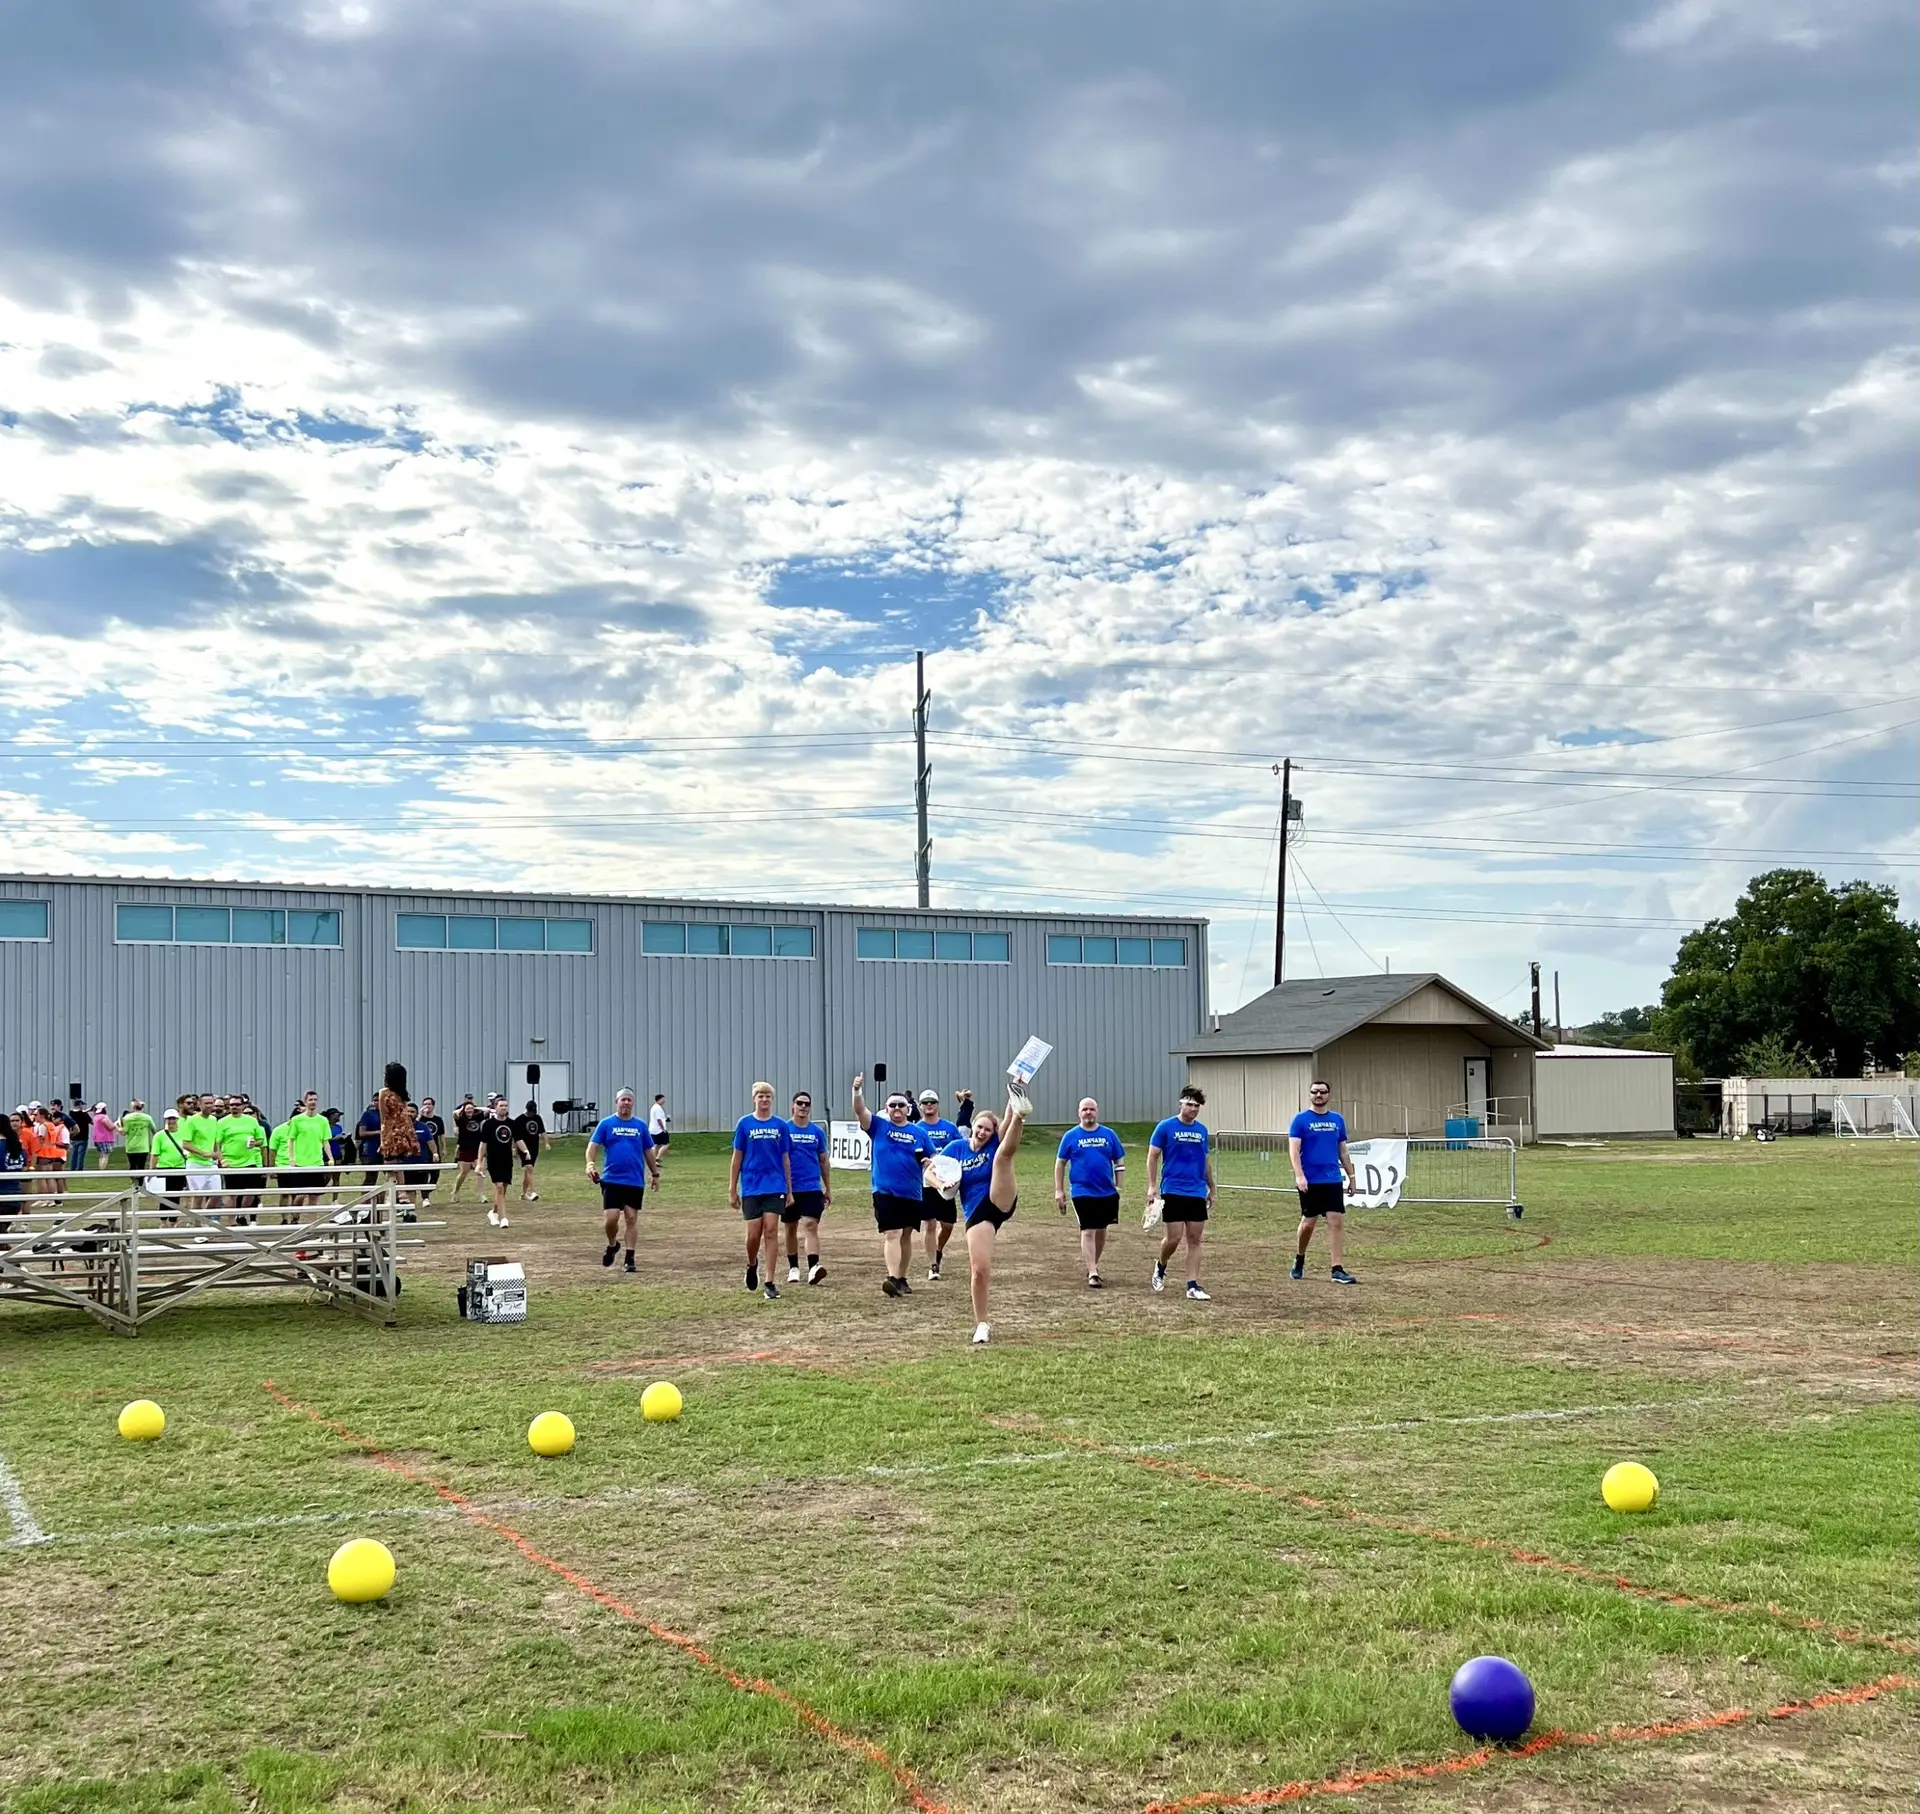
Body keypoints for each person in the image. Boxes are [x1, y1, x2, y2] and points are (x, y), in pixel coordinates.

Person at [953, 1083, 1031, 1345]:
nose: (984, 1132)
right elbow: (934, 1169)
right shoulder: (956, 1147)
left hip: (1001, 1196)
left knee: (1001, 1157)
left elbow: (1004, 1121)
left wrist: (1015, 1092)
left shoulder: (995, 1142)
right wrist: (941, 1183)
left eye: (989, 1128)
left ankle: (1022, 1112)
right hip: (977, 1211)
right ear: (973, 1126)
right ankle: (982, 1323)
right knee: (979, 1270)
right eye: (981, 1127)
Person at [851, 1073, 935, 1298]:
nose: (897, 1108)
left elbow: (931, 1158)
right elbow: (860, 1110)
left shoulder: (920, 1133)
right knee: (893, 1233)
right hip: (885, 1191)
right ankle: (892, 1277)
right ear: (886, 1109)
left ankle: (902, 1278)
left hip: (912, 1191)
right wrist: (857, 1091)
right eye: (893, 1105)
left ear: (908, 1108)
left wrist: (929, 1163)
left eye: (901, 1105)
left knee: (906, 1234)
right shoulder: (878, 1127)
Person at [1148, 1085, 1215, 1301]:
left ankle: (1192, 1285)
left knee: (1195, 1239)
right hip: (1173, 1188)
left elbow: (1205, 1161)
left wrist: (1211, 1187)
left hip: (1196, 1190)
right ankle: (1161, 1264)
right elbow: (1153, 1156)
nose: (1193, 1109)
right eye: (1189, 1104)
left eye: (1197, 1106)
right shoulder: (1165, 1127)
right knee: (1174, 1238)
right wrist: (1152, 1185)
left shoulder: (1202, 1130)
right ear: (1181, 1104)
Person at [1289, 1079, 1359, 1285]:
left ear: (1329, 1095)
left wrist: (1351, 1176)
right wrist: (1299, 1175)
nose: (1318, 1095)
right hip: (1311, 1180)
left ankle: (1337, 1269)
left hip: (1332, 1179)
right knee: (1308, 1223)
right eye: (1315, 1092)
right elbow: (1293, 1150)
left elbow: (1343, 1151)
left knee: (1335, 1221)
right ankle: (1299, 1257)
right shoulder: (1300, 1120)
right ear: (1310, 1095)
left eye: (1322, 1092)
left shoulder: (1337, 1119)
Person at [730, 1081, 793, 1300]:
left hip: (774, 1185)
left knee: (771, 1230)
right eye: (760, 1096)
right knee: (753, 1235)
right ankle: (751, 1263)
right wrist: (732, 1189)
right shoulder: (745, 1124)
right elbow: (737, 1158)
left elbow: (786, 1158)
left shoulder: (781, 1126)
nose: (764, 1099)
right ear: (754, 1099)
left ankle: (770, 1280)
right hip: (751, 1185)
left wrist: (790, 1190)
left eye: (768, 1096)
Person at [1055, 1098, 1126, 1288]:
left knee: (1101, 1230)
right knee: (1088, 1230)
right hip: (1082, 1191)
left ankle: (1093, 1264)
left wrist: (1119, 1186)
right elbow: (1060, 1163)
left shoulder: (1108, 1134)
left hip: (1106, 1191)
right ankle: (1093, 1272)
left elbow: (1119, 1160)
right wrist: (1059, 1190)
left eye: (1092, 1109)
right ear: (1079, 1112)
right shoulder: (1071, 1136)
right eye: (1085, 1109)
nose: (1088, 1113)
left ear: (1097, 1112)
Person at [587, 1087, 660, 1273]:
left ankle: (630, 1257)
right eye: (623, 1100)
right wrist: (590, 1164)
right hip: (611, 1179)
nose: (626, 1103)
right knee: (610, 1220)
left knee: (631, 1218)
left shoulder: (640, 1126)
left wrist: (655, 1174)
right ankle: (612, 1245)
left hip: (634, 1180)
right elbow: (593, 1146)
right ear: (616, 1102)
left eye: (629, 1100)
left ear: (632, 1103)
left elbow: (648, 1152)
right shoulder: (606, 1124)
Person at [914, 1089, 967, 1281]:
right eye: (925, 1102)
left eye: (932, 1102)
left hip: (947, 1182)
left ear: (937, 1104)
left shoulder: (949, 1128)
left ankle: (938, 1250)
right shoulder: (917, 1129)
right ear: (920, 1106)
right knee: (929, 1223)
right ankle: (933, 1265)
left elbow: (960, 1149)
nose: (929, 1105)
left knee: (947, 1225)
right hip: (927, 1183)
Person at [781, 1089, 832, 1285]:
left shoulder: (817, 1132)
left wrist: (828, 1188)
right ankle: (793, 1267)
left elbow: (823, 1161)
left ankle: (813, 1268)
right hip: (789, 1187)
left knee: (811, 1225)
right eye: (800, 1103)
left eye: (807, 1104)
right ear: (793, 1106)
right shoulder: (784, 1130)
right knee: (790, 1227)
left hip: (812, 1187)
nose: (803, 1107)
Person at [284, 1090, 335, 1217]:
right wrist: (291, 1158)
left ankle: (313, 1223)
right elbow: (291, 1140)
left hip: (316, 1162)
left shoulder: (322, 1121)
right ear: (305, 1102)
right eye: (310, 1100)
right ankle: (295, 1216)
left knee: (314, 1195)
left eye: (315, 1100)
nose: (313, 1102)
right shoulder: (297, 1120)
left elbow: (325, 1141)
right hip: (301, 1162)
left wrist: (330, 1158)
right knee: (300, 1194)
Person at [477, 1095, 524, 1228]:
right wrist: (480, 1162)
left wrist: (525, 1152)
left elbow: (518, 1139)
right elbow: (483, 1144)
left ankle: (494, 1212)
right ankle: (503, 1218)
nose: (504, 1108)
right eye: (501, 1106)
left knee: (503, 1189)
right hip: (493, 1159)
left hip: (507, 1159)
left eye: (505, 1106)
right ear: (495, 1108)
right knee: (499, 1187)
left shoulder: (512, 1123)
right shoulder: (488, 1124)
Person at [451, 1094, 486, 1199]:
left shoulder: (478, 1116)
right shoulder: (461, 1119)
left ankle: (481, 1195)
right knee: (464, 1172)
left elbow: (488, 1110)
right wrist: (464, 1107)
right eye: (467, 1109)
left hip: (477, 1148)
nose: (469, 1111)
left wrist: (474, 1108)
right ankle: (455, 1191)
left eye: (471, 1109)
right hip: (465, 1148)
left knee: (480, 1172)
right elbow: (454, 1113)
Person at [513, 1097, 545, 1201]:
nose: (532, 1114)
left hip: (534, 1148)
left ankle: (523, 1194)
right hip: (523, 1148)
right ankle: (532, 1191)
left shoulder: (537, 1118)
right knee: (529, 1168)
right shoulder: (519, 1120)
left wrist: (547, 1143)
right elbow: (515, 1137)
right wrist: (514, 1149)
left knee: (528, 1171)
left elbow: (543, 1131)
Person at [354, 1094, 382, 1187]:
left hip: (386, 1149)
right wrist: (378, 1132)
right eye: (375, 1100)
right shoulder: (368, 1114)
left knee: (391, 1176)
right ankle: (364, 1199)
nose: (376, 1102)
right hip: (371, 1149)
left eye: (379, 1100)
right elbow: (362, 1133)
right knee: (371, 1177)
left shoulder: (389, 1114)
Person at [120, 1099, 155, 1173]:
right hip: (143, 1147)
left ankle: (133, 1182)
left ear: (133, 1108)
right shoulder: (147, 1118)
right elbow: (154, 1131)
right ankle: (140, 1182)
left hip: (131, 1146)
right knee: (141, 1166)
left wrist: (117, 1127)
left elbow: (123, 1133)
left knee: (132, 1166)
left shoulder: (127, 1118)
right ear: (142, 1107)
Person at [89, 1103, 118, 1169]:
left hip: (97, 1139)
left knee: (101, 1155)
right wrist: (116, 1123)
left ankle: (100, 1169)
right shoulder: (104, 1117)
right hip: (105, 1139)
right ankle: (102, 1170)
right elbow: (111, 1127)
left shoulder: (95, 1117)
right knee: (105, 1155)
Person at [648, 1093, 671, 1160]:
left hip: (653, 1129)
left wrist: (666, 1119)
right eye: (663, 1099)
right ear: (659, 1099)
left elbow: (660, 1118)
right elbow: (659, 1120)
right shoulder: (658, 1108)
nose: (664, 1101)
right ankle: (658, 1158)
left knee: (657, 1145)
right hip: (659, 1130)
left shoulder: (654, 1107)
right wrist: (663, 1129)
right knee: (666, 1144)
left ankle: (654, 1160)